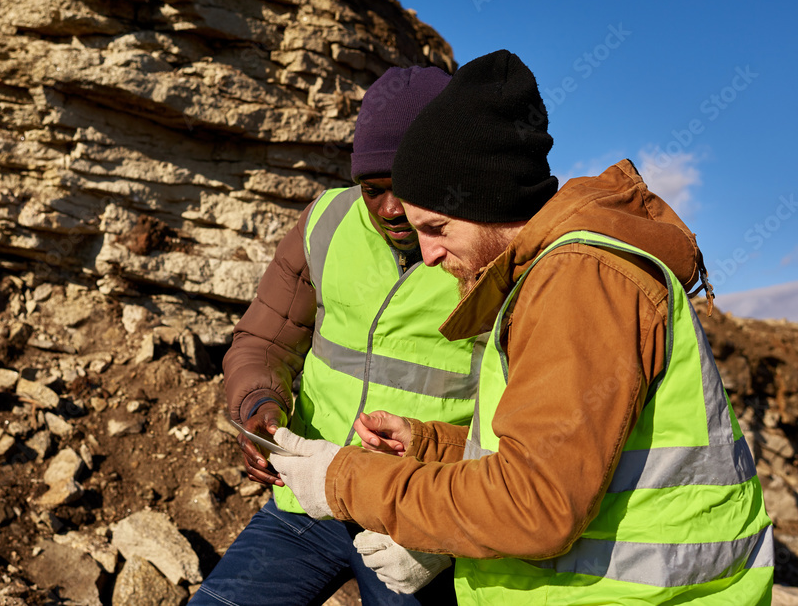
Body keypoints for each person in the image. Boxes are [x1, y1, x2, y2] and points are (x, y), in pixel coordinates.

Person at [269, 49, 775, 605]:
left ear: (488, 197)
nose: (430, 255)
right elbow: (565, 455)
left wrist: (344, 480)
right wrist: (433, 446)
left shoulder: (581, 281)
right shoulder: (551, 277)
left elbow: (537, 505)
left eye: (436, 227)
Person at [191, 66, 481, 605]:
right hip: (308, 497)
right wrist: (259, 404)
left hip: (413, 521)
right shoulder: (325, 221)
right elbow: (265, 342)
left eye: (408, 188)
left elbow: (523, 429)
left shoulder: (487, 251)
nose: (391, 210)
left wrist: (454, 530)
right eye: (373, 190)